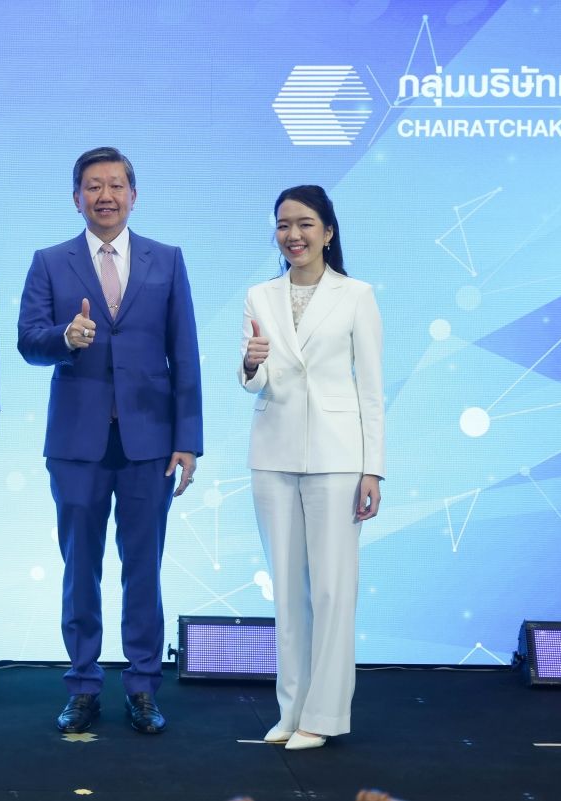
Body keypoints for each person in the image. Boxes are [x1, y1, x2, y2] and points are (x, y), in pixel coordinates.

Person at [18, 147, 202, 735]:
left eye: (116, 185)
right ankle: (82, 685)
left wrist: (188, 439)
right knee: (80, 568)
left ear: (134, 194)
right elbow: (28, 341)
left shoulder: (166, 260)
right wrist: (64, 337)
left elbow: (185, 353)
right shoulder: (50, 262)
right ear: (76, 197)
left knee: (144, 568)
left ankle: (144, 686)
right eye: (93, 186)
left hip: (151, 442)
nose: (105, 196)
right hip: (77, 442)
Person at [238, 185, 384, 750]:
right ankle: (290, 710)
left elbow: (371, 390)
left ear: (327, 231)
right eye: (283, 225)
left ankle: (322, 716)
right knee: (287, 593)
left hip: (338, 457)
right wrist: (250, 364)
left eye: (304, 224)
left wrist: (373, 469)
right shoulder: (260, 295)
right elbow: (256, 379)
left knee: (332, 591)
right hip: (273, 453)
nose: (293, 235)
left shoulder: (357, 295)